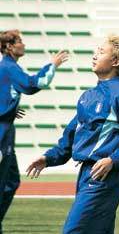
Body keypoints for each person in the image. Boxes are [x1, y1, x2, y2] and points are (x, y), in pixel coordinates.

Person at [26, 34, 119, 233]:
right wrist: (49, 158)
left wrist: (113, 160)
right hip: (85, 173)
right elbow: (71, 136)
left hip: (104, 176)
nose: (94, 55)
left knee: (73, 230)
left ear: (116, 61)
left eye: (101, 52)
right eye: (96, 51)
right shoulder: (88, 96)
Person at [0, 30, 68, 233]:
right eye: (19, 41)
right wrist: (52, 65)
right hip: (1, 135)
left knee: (11, 181)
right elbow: (34, 84)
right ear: (9, 47)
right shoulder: (9, 67)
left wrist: (9, 108)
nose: (24, 44)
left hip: (6, 132)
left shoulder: (8, 67)